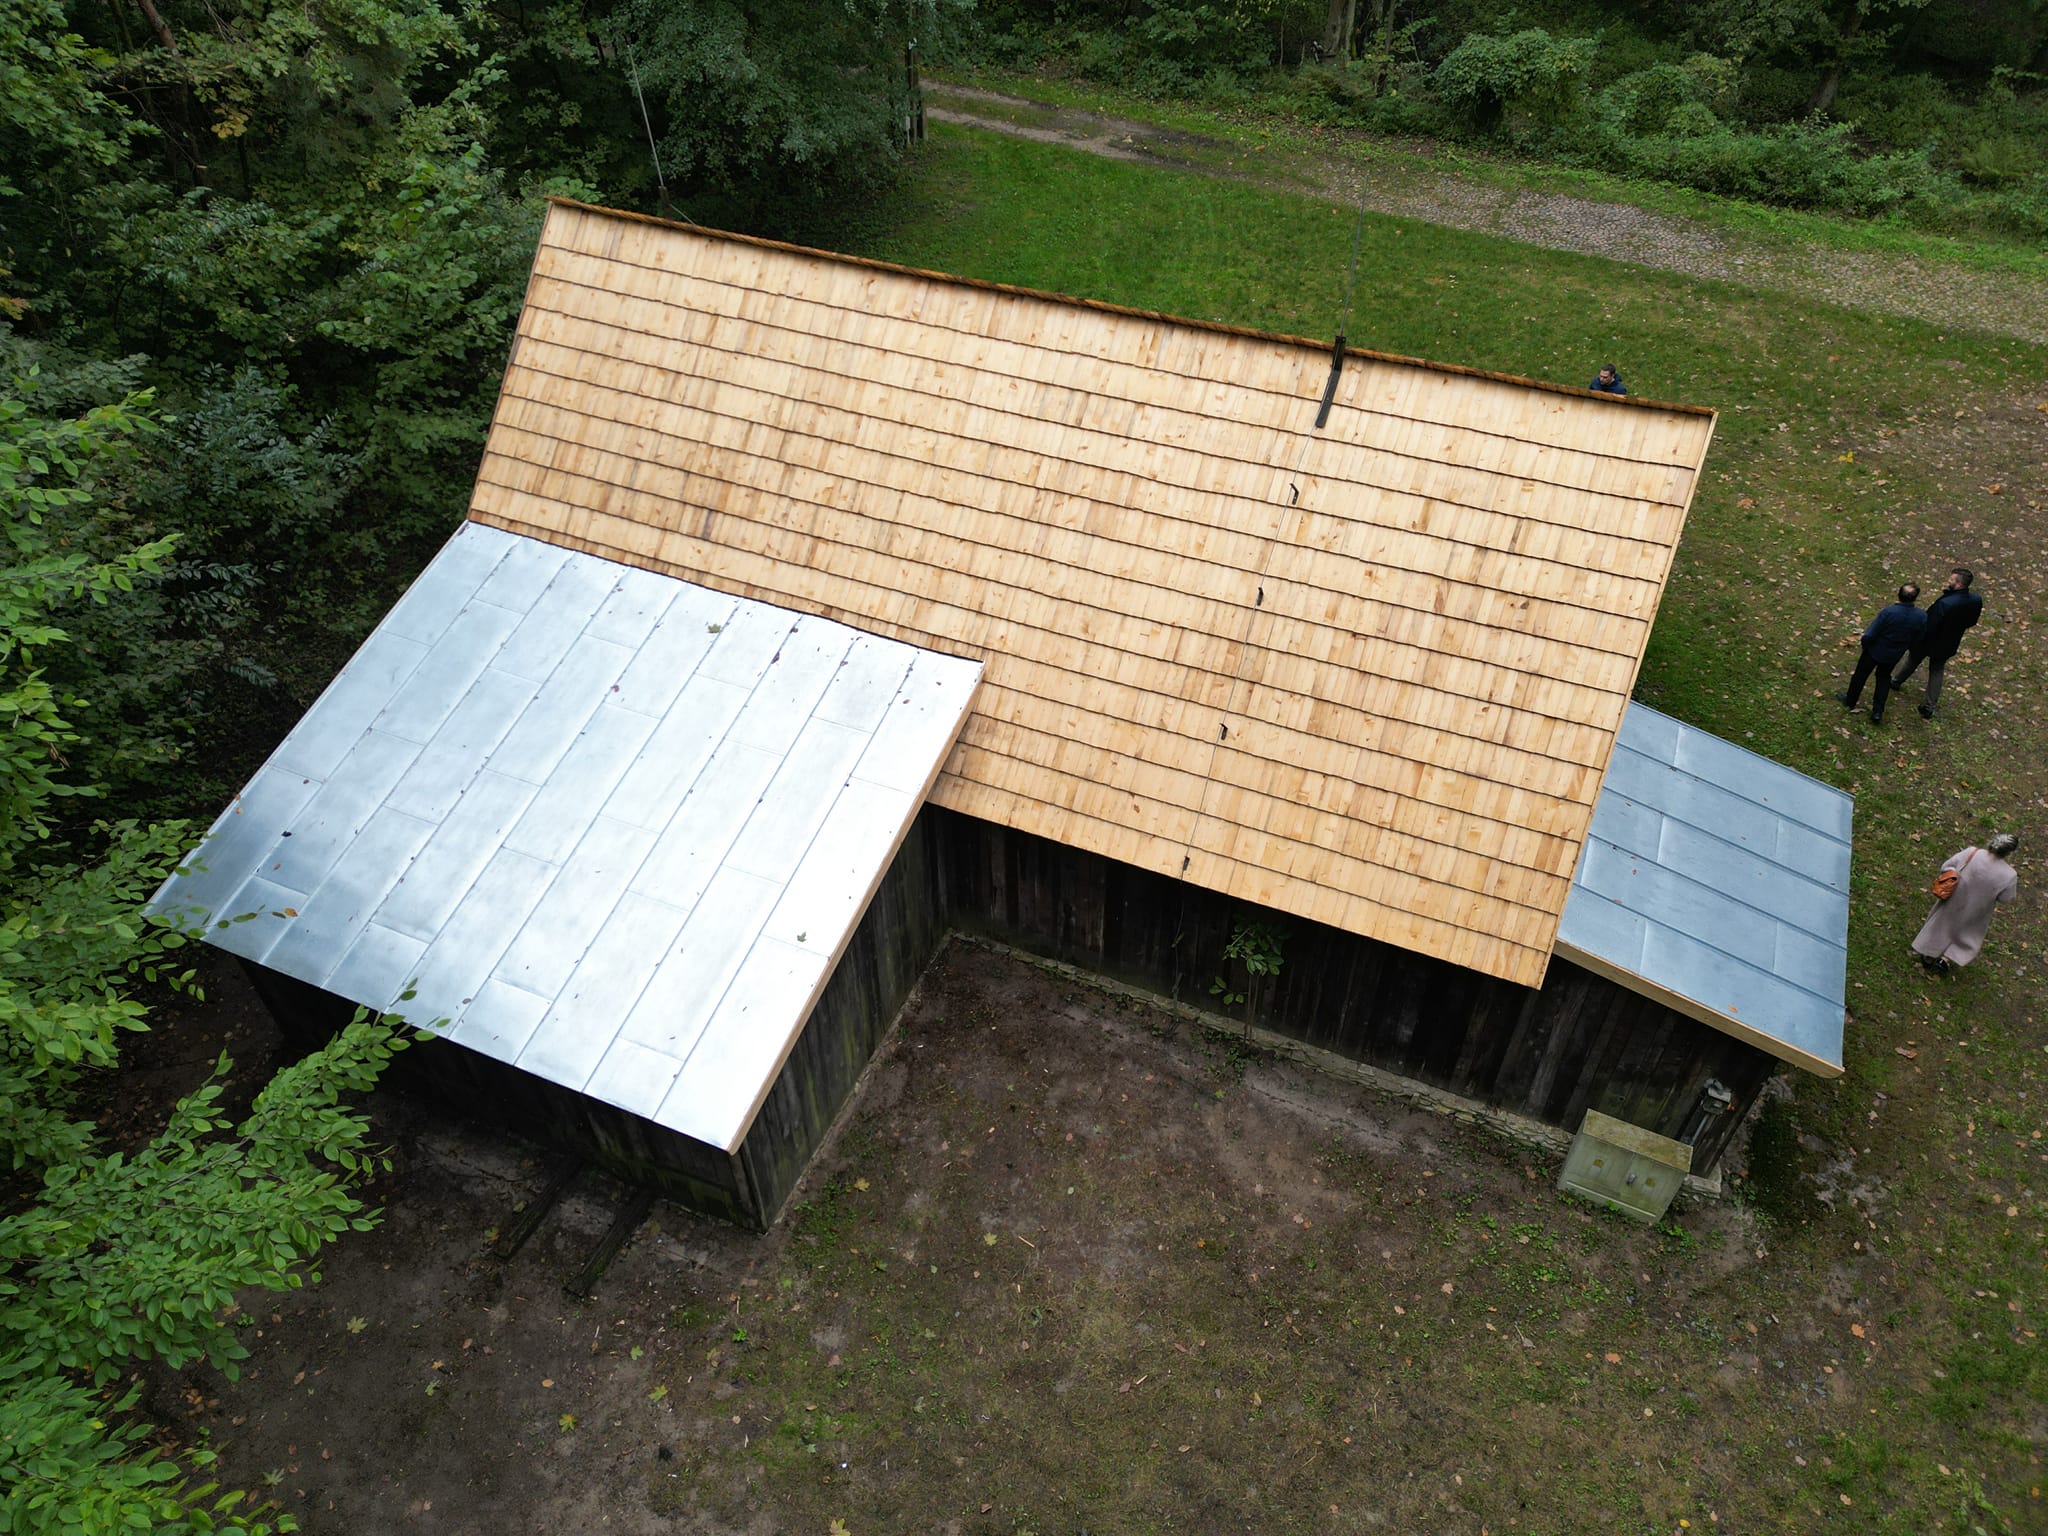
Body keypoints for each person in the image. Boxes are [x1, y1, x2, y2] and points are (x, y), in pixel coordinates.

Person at [1912, 833, 2020, 976]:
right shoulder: (2009, 875)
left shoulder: (1972, 853)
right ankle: (1947, 958)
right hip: (1978, 910)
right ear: (2009, 852)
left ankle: (1929, 954)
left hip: (1953, 900)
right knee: (1967, 933)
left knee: (1941, 925)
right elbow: (2005, 898)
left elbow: (1947, 866)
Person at [1891, 566, 1982, 720]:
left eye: (1952, 579)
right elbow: (1972, 621)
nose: (1948, 580)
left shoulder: (1945, 603)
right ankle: (1929, 705)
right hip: (1949, 642)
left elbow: (1930, 625)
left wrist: (1916, 638)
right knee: (1937, 670)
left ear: (1959, 584)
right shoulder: (1975, 600)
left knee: (1913, 660)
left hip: (1929, 640)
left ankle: (1896, 682)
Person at [1836, 582, 1925, 724]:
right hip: (1894, 655)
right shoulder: (1921, 616)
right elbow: (1918, 637)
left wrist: (1865, 644)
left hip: (1874, 650)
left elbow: (1871, 634)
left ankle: (1850, 701)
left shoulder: (1888, 612)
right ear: (1915, 598)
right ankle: (1877, 711)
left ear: (1899, 594)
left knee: (1860, 675)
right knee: (1883, 679)